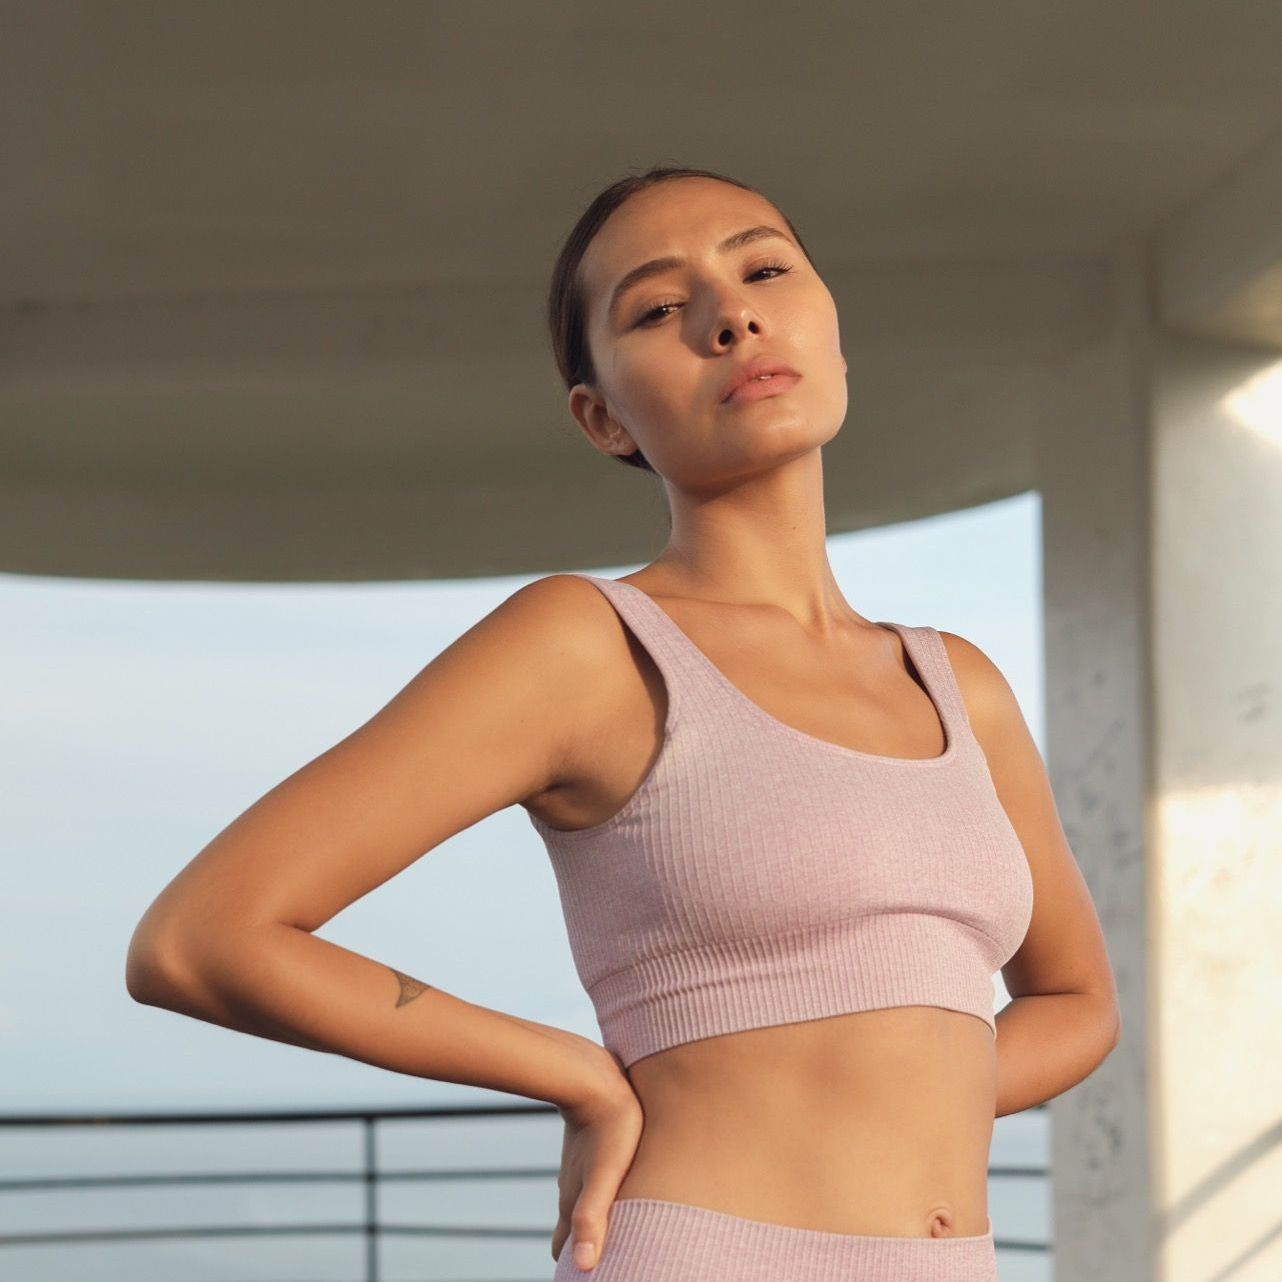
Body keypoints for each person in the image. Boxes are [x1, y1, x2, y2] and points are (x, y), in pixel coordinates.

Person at [126, 165, 1122, 1282]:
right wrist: (575, 1071)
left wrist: (905, 1086)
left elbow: (1076, 1002)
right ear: (602, 416)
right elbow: (201, 936)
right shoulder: (590, 647)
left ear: (834, 334)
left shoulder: (957, 682)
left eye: (763, 268)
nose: (730, 314)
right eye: (657, 307)